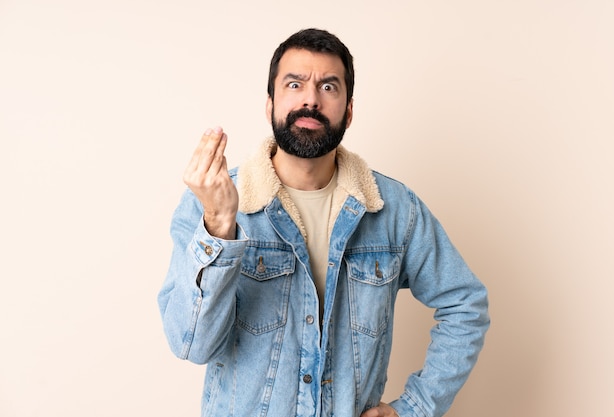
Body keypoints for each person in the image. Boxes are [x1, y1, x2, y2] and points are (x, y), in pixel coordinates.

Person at [158, 28, 489, 417]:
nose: (310, 100)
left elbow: (465, 304)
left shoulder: (395, 209)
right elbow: (191, 345)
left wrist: (414, 408)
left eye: (329, 87)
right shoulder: (211, 202)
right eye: (294, 84)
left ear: (348, 110)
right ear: (270, 105)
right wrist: (219, 226)